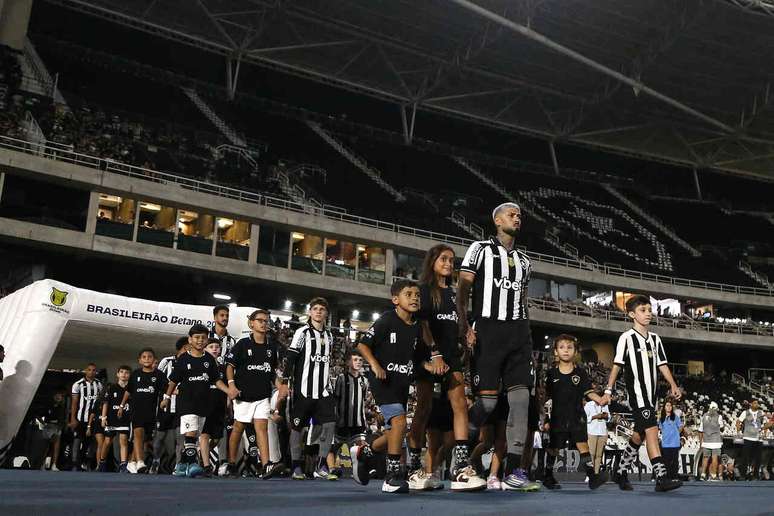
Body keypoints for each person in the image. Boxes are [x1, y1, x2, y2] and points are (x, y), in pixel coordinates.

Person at [457, 202, 539, 491]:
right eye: (512, 215)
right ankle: (461, 449)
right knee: (488, 403)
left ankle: (516, 469)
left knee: (521, 401)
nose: (517, 219)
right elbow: (463, 290)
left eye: (519, 216)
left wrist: (526, 331)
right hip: (488, 330)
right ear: (497, 220)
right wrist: (466, 326)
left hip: (518, 334)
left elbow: (523, 299)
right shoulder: (479, 249)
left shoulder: (526, 262)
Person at [350, 279, 433, 494]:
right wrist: (375, 365)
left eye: (417, 294)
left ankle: (365, 451)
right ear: (395, 300)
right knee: (399, 424)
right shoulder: (387, 319)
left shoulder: (417, 327)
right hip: (383, 381)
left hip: (402, 383)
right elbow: (362, 345)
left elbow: (419, 358)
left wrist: (429, 366)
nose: (415, 297)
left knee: (396, 431)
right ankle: (392, 476)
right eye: (409, 294)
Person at [415, 243, 486, 491]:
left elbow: (459, 324)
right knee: (423, 410)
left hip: (452, 357)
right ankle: (416, 468)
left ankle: (460, 468)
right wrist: (434, 354)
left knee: (460, 407)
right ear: (432, 261)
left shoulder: (455, 295)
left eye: (451, 260)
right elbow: (422, 325)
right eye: (443, 259)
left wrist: (467, 334)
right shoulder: (423, 290)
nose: (448, 263)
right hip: (427, 357)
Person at [601, 294, 683, 492]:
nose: (648, 314)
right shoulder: (626, 338)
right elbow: (616, 366)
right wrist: (608, 390)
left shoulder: (655, 339)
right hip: (637, 395)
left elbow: (662, 365)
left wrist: (673, 384)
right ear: (631, 314)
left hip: (652, 396)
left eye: (649, 310)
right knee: (652, 432)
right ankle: (661, 478)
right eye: (643, 310)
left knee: (639, 435)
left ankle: (619, 472)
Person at [161, 324, 233, 478]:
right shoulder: (183, 359)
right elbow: (173, 381)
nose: (200, 340)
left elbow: (216, 380)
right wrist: (166, 398)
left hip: (203, 404)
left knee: (195, 435)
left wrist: (229, 391)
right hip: (186, 403)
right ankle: (193, 464)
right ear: (190, 339)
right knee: (192, 432)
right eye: (197, 337)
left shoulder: (209, 360)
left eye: (203, 338)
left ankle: (181, 465)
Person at [224, 309, 287, 478]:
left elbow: (272, 372)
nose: (263, 323)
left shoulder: (272, 348)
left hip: (262, 395)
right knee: (238, 427)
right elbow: (229, 366)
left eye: (266, 321)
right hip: (243, 395)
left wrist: (280, 386)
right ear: (251, 323)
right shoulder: (242, 344)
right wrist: (231, 385)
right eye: (260, 320)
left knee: (262, 428)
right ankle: (231, 463)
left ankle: (266, 464)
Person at [542, 334, 609, 490]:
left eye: (569, 347)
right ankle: (547, 475)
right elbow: (546, 398)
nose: (566, 350)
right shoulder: (551, 374)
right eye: (562, 347)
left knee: (582, 445)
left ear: (575, 351)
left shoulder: (581, 373)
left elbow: (588, 392)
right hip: (557, 417)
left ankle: (592, 476)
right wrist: (545, 419)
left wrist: (600, 399)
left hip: (577, 415)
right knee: (554, 447)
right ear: (556, 352)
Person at [284, 298, 337, 480]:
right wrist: (284, 381)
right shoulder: (302, 332)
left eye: (322, 309)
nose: (319, 312)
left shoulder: (330, 336)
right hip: (304, 390)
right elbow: (291, 358)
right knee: (298, 427)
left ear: (326, 313)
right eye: (315, 309)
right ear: (310, 312)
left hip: (323, 391)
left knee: (329, 424)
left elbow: (327, 363)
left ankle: (322, 465)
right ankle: (296, 466)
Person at [119, 347, 167, 474]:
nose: (147, 359)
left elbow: (168, 389)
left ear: (154, 359)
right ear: (139, 360)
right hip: (136, 410)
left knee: (144, 438)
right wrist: (121, 406)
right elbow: (128, 391)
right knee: (138, 434)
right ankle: (140, 461)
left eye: (149, 357)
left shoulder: (159, 375)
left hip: (151, 412)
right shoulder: (135, 374)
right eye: (144, 357)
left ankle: (132, 462)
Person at [327, 350, 369, 479]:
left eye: (360, 360)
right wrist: (336, 416)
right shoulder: (341, 378)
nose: (358, 362)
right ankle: (332, 469)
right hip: (342, 421)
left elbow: (365, 400)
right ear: (348, 362)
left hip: (359, 421)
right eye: (355, 359)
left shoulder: (365, 380)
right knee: (333, 447)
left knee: (362, 448)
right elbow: (336, 399)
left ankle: (360, 471)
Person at [152, 337, 187, 474]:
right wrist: (170, 390)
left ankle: (178, 466)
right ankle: (155, 460)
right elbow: (157, 379)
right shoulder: (166, 361)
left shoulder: (190, 362)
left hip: (181, 407)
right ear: (182, 348)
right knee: (160, 437)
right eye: (188, 348)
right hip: (165, 406)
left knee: (180, 438)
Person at [200, 338, 228, 477]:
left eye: (217, 346)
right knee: (204, 434)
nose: (215, 349)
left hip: (220, 405)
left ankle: (202, 454)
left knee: (217, 438)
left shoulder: (223, 368)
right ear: (205, 349)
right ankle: (206, 465)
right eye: (211, 346)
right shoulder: (201, 365)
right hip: (205, 404)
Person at [69, 363, 103, 471]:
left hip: (94, 419)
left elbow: (101, 402)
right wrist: (73, 418)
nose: (91, 372)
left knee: (93, 441)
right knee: (78, 440)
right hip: (81, 418)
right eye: (89, 370)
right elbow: (74, 402)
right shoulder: (78, 384)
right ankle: (75, 463)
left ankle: (87, 462)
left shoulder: (99, 384)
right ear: (85, 371)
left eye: (94, 370)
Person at [99, 365, 132, 473]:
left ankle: (123, 465)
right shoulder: (111, 387)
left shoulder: (131, 389)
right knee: (107, 441)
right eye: (121, 372)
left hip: (124, 418)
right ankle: (102, 462)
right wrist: (103, 418)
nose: (124, 374)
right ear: (117, 374)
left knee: (123, 441)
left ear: (129, 375)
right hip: (112, 418)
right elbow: (105, 403)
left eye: (126, 372)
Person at [736, 399, 772, 480]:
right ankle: (743, 475)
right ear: (751, 404)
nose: (757, 404)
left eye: (758, 403)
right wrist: (739, 432)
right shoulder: (745, 412)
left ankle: (755, 475)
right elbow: (738, 422)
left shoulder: (761, 413)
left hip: (758, 438)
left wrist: (763, 430)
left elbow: (767, 423)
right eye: (755, 403)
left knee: (758, 458)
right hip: (748, 437)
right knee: (745, 457)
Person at [584, 387, 609, 475]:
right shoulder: (588, 405)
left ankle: (596, 473)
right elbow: (584, 419)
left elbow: (608, 417)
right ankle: (589, 474)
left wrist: (605, 416)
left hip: (602, 431)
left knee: (599, 455)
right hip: (592, 431)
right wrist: (595, 416)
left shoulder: (604, 405)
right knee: (592, 453)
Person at [698, 401, 724, 481]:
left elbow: (700, 430)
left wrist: (700, 442)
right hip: (716, 441)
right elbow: (722, 428)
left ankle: (703, 475)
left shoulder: (704, 416)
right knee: (714, 458)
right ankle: (713, 475)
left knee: (705, 458)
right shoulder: (719, 416)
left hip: (706, 440)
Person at [658, 399, 683, 480]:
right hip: (665, 443)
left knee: (675, 461)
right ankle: (668, 477)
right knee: (666, 462)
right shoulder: (661, 418)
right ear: (664, 407)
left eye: (670, 406)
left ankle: (674, 477)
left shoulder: (675, 417)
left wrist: (676, 434)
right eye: (667, 405)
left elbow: (680, 427)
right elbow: (661, 429)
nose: (669, 407)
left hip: (675, 443)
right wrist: (666, 435)